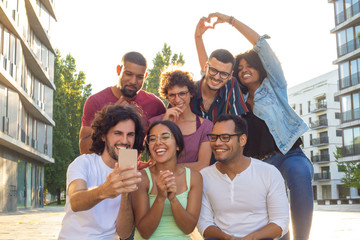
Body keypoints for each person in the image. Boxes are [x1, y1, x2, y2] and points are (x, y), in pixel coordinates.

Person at [196, 12, 314, 240]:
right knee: (269, 213)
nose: (243, 70)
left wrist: (230, 21)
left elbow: (261, 45)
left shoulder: (275, 85)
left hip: (288, 154)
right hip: (256, 165)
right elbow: (209, 72)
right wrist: (199, 38)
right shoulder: (233, 96)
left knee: (299, 174)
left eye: (248, 65)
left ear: (260, 67)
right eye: (239, 69)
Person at [59, 104, 145, 240]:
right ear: (104, 136)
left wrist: (126, 195)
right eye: (118, 133)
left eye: (130, 135)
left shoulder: (133, 174)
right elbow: (75, 201)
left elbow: (124, 233)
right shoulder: (83, 163)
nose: (124, 140)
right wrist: (105, 190)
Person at [198, 114, 289, 240]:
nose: (217, 143)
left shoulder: (269, 173)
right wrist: (228, 238)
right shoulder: (204, 176)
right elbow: (204, 223)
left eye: (225, 137)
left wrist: (250, 238)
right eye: (214, 137)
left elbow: (280, 222)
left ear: (242, 140)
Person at [79, 51, 166, 154]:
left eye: (139, 77)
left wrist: (152, 166)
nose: (133, 81)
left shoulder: (154, 104)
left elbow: (170, 140)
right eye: (128, 74)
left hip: (132, 167)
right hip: (101, 168)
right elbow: (84, 150)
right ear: (118, 70)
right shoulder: (95, 102)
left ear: (145, 76)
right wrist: (109, 118)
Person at [131, 120, 203, 239]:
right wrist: (160, 198)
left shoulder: (194, 178)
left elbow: (188, 228)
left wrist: (173, 199)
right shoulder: (141, 178)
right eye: (152, 139)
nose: (158, 142)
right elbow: (144, 232)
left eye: (165, 137)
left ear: (178, 145)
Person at [149, 67, 213, 171]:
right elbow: (155, 161)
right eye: (172, 95)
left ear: (191, 93)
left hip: (192, 184)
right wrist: (165, 124)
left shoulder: (206, 126)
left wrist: (170, 167)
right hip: (161, 182)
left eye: (182, 93)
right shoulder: (155, 123)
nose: (177, 100)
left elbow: (203, 165)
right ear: (167, 96)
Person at [192, 21, 248, 122]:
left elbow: (236, 126)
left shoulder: (231, 85)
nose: (217, 77)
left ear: (230, 75)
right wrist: (198, 37)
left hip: (222, 137)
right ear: (205, 67)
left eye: (223, 74)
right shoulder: (189, 90)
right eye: (213, 70)